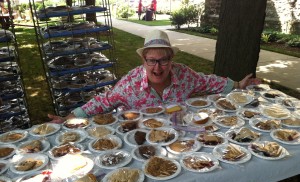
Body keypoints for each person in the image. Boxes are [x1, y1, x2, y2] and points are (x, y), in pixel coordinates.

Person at [48, 29, 260, 123]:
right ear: (144, 61)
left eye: (163, 61)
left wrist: (237, 85)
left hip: (180, 132)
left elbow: (208, 81)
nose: (158, 68)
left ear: (171, 60)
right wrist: (70, 118)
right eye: (152, 61)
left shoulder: (184, 74)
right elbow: (103, 102)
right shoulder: (129, 83)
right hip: (140, 140)